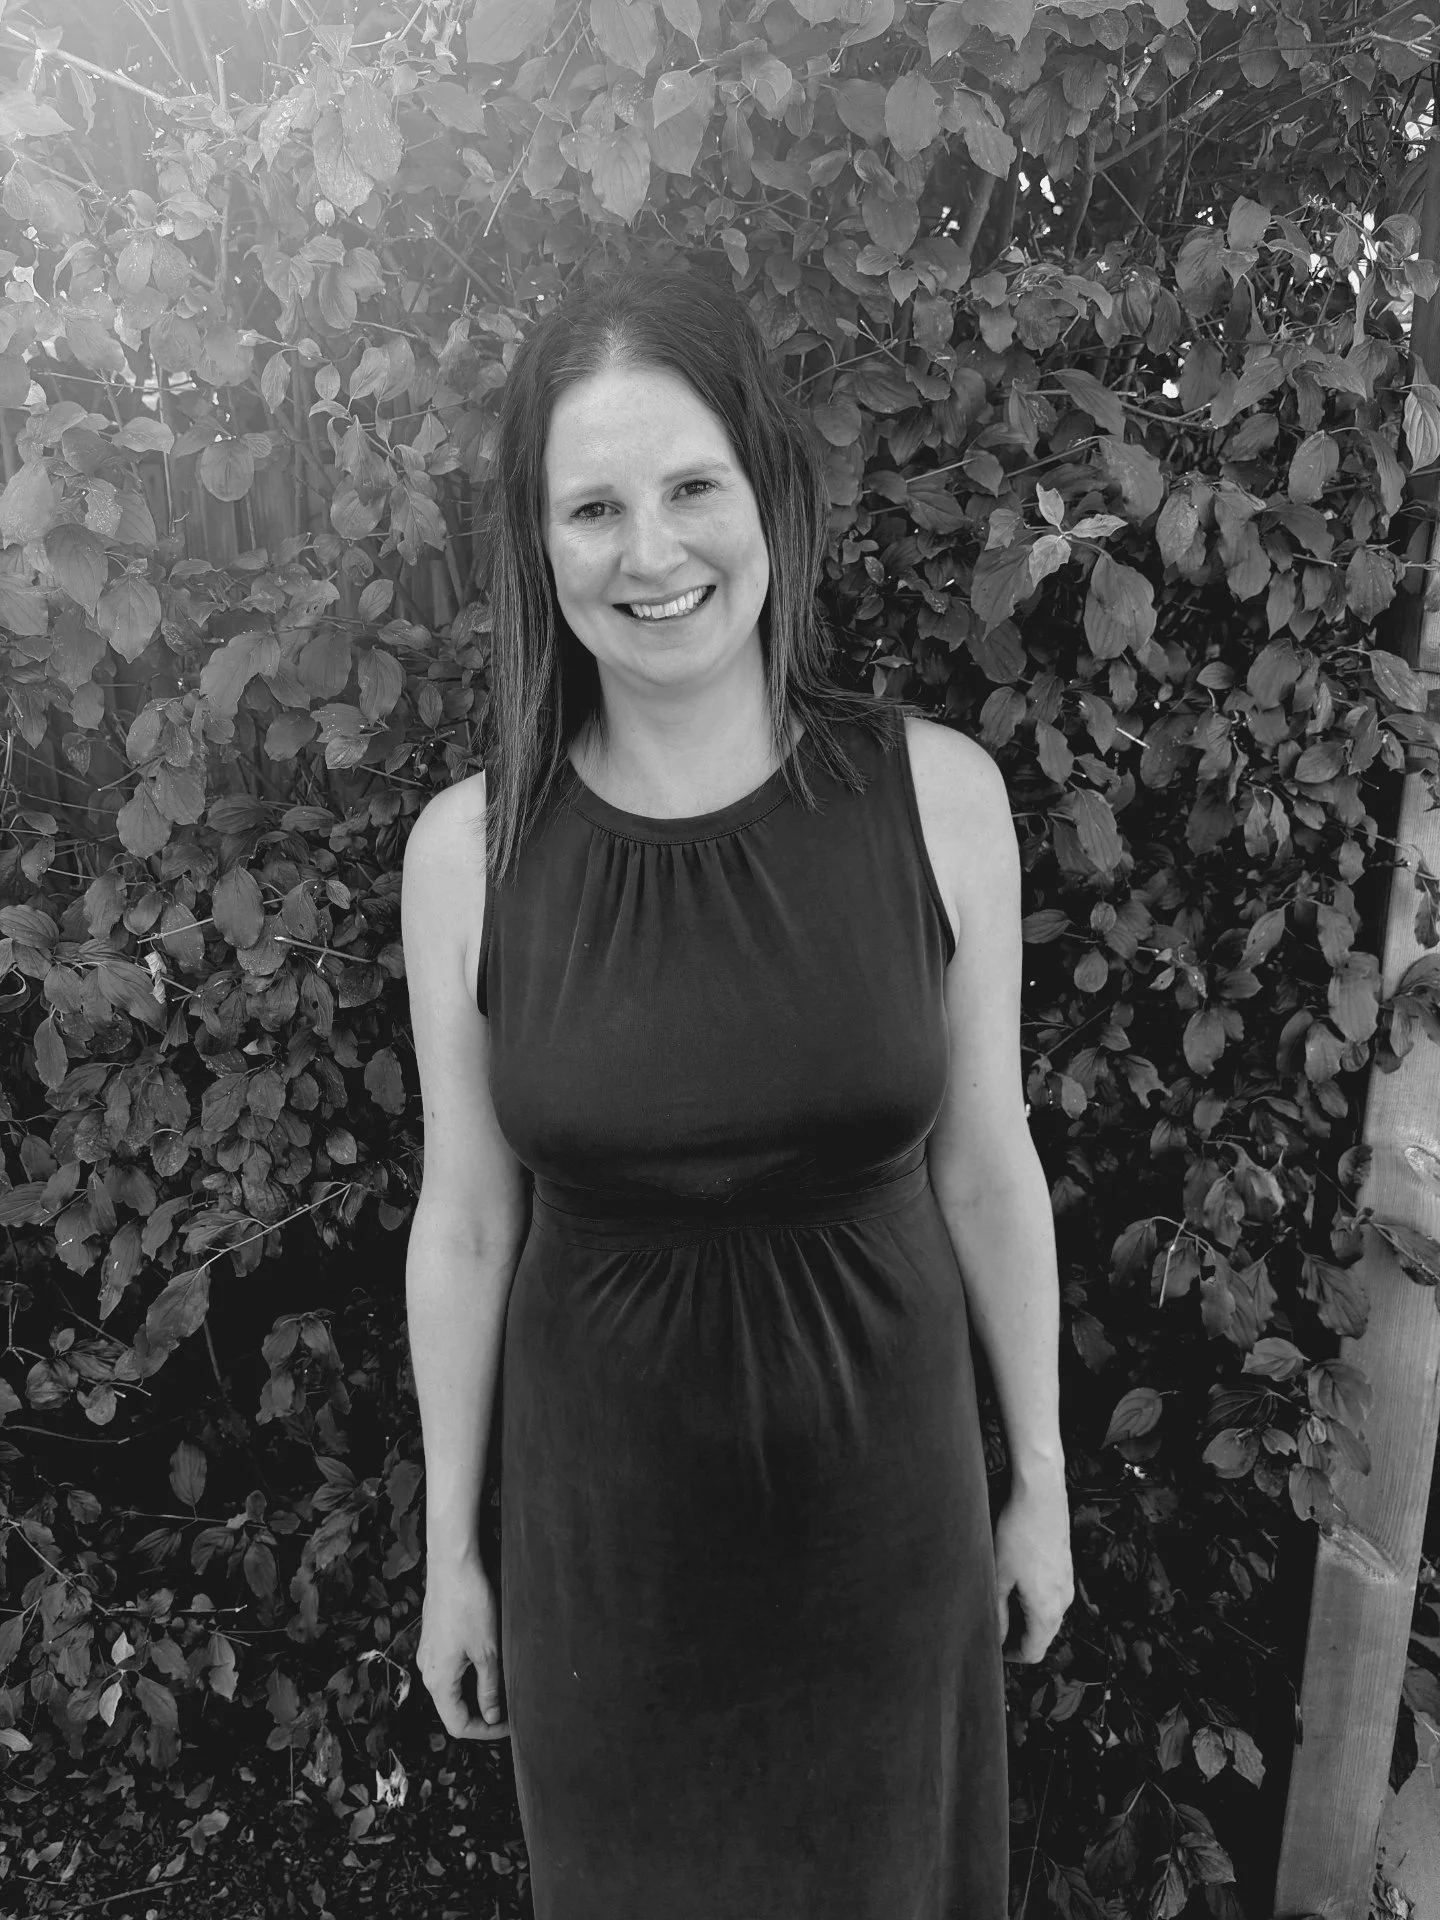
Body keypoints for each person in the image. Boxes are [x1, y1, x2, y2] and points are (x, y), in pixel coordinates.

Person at [400, 263, 1072, 1920]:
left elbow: (990, 1169)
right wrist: (451, 1553)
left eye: (692, 487)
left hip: (886, 1544)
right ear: (538, 545)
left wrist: (1043, 1480)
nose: (652, 554)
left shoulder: (939, 800)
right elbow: (468, 1225)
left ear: (769, 489)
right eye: (594, 509)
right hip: (606, 1575)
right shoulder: (467, 855)